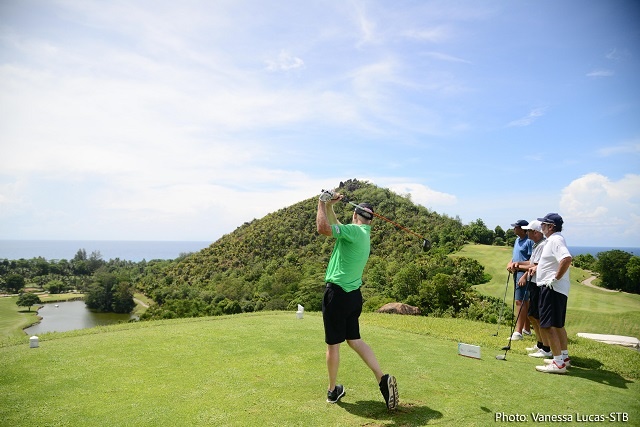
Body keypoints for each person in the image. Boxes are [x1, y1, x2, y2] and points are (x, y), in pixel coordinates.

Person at [316, 190, 399, 409]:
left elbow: (324, 228)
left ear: (355, 215)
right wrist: (330, 207)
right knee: (354, 340)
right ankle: (382, 379)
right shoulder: (362, 234)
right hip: (353, 296)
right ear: (370, 220)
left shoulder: (353, 231)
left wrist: (320, 202)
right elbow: (337, 226)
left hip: (336, 295)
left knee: (333, 345)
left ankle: (332, 391)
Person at [533, 213, 573, 374]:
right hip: (556, 289)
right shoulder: (554, 239)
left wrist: (555, 278)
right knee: (557, 325)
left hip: (552, 288)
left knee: (548, 325)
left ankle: (558, 363)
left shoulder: (555, 240)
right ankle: (563, 357)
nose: (541, 227)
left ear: (551, 227)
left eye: (544, 224)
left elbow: (566, 259)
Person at [513, 220, 552, 359]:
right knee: (532, 315)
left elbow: (535, 266)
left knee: (538, 316)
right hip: (533, 282)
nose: (527, 232)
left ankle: (547, 348)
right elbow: (530, 263)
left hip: (538, 283)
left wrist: (520, 271)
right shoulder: (537, 245)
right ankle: (540, 344)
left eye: (528, 230)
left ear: (535, 232)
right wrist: (516, 264)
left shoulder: (542, 245)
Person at [506, 220, 534, 340]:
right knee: (524, 302)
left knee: (520, 302)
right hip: (516, 272)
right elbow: (515, 256)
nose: (514, 229)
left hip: (524, 274)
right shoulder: (517, 240)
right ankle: (526, 329)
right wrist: (510, 263)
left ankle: (518, 332)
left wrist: (525, 276)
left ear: (523, 229)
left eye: (516, 227)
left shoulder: (529, 241)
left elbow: (533, 262)